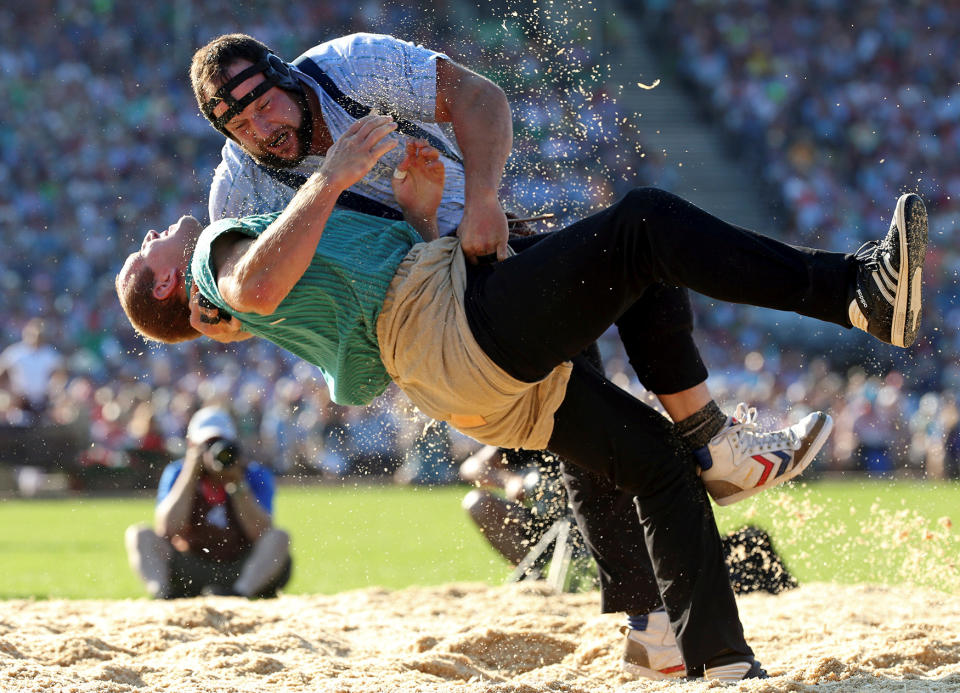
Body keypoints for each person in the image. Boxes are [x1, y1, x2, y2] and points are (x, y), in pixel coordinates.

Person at [115, 121, 927, 680]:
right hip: (455, 336)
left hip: (454, 374)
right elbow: (252, 280)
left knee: (655, 461)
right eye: (143, 250)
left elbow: (360, 373)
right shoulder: (220, 253)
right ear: (165, 283)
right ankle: (854, 293)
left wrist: (415, 217)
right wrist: (330, 178)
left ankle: (718, 659)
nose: (157, 233)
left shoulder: (273, 285)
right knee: (644, 224)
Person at [125, 406, 292, 599]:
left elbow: (261, 532)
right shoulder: (178, 473)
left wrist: (237, 484)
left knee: (279, 537)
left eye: (220, 444)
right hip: (191, 564)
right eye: (207, 445)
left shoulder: (253, 474)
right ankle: (162, 594)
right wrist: (190, 474)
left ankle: (240, 593)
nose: (214, 452)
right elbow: (166, 529)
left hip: (240, 566)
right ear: (191, 446)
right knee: (139, 534)